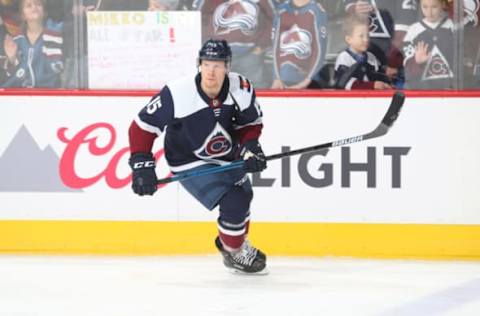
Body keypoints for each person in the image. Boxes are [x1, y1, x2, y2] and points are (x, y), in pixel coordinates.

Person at [128, 39, 268, 275]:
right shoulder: (177, 93)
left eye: (217, 65)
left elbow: (250, 124)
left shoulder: (241, 88)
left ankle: (235, 244)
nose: (211, 71)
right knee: (234, 199)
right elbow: (141, 127)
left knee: (244, 195)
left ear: (228, 66)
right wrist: (142, 165)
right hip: (187, 158)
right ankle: (233, 251)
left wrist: (250, 146)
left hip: (226, 153)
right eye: (206, 64)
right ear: (199, 64)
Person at [193, 0, 275, 89]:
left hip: (250, 55)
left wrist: (261, 47)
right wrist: (210, 47)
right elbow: (198, 20)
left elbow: (272, 21)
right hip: (219, 56)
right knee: (218, 90)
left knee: (255, 89)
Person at [343, 0, 419, 88]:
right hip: (367, 69)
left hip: (396, 70)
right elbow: (338, 9)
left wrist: (391, 65)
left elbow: (402, 35)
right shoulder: (346, 58)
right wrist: (352, 8)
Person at [1, 0, 63, 88]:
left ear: (44, 12)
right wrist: (11, 59)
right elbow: (10, 79)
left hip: (51, 95)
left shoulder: (57, 34)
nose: (34, 7)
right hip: (22, 97)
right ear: (22, 15)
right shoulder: (15, 40)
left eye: (38, 4)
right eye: (28, 5)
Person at [271, 0, 328, 89]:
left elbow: (320, 50)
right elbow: (275, 48)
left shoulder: (316, 11)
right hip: (283, 78)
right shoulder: (281, 10)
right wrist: (276, 78)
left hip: (306, 80)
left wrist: (307, 81)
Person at [402, 0, 454, 89]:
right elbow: (408, 66)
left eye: (434, 7)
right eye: (425, 7)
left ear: (442, 5)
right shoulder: (413, 30)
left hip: (450, 88)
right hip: (423, 90)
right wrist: (416, 62)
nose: (429, 12)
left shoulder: (453, 26)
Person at [334, 14, 391, 90]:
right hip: (350, 100)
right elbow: (345, 83)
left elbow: (380, 77)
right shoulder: (344, 58)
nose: (366, 39)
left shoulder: (372, 57)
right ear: (349, 39)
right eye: (361, 36)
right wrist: (372, 85)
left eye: (367, 36)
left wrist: (385, 84)